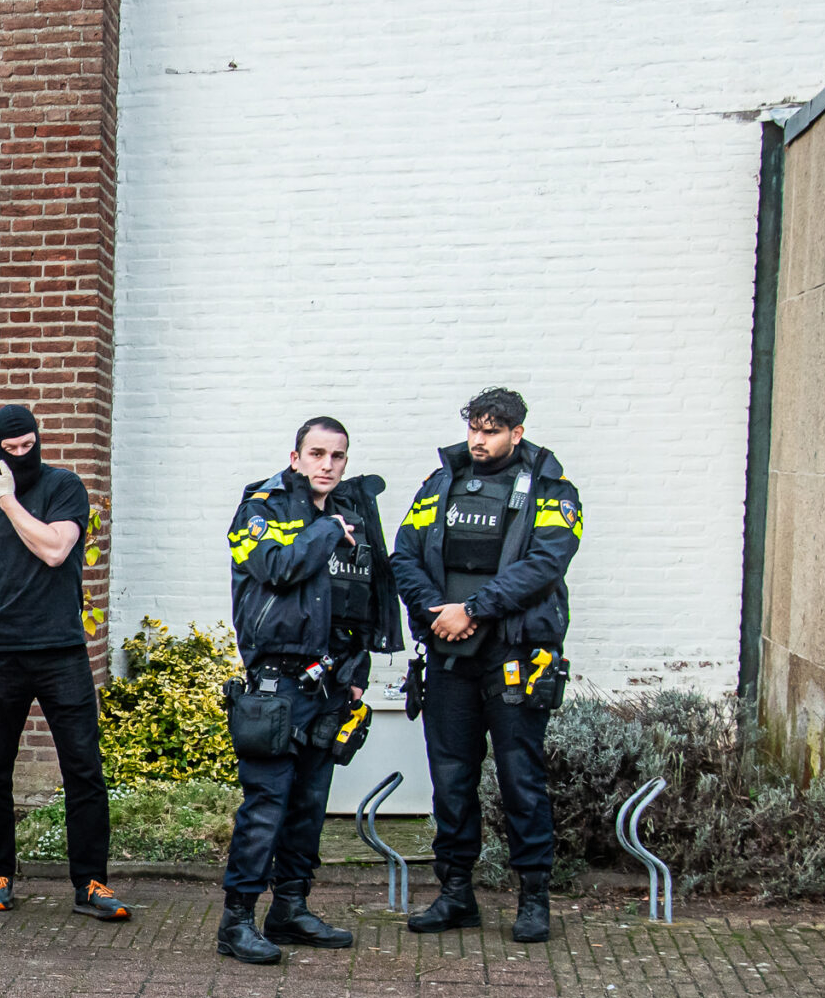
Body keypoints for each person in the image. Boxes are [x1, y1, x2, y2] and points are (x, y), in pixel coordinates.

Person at [392, 387, 582, 944]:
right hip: (449, 654)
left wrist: (472, 610)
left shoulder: (551, 489)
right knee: (451, 779)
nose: (479, 440)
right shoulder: (440, 483)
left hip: (514, 655)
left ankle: (534, 899)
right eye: (474, 428)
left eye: (492, 431)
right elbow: (404, 555)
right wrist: (437, 614)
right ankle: (456, 894)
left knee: (521, 779)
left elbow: (545, 563)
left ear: (516, 433)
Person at [215, 418, 403, 964]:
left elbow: (363, 600)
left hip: (333, 686)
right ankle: (236, 922)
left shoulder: (350, 513)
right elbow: (276, 567)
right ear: (295, 457)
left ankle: (290, 909)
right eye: (317, 454)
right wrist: (327, 531)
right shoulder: (261, 508)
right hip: (276, 685)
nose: (328, 464)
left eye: (337, 456)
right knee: (266, 806)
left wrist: (359, 670)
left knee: (308, 806)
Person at [0, 404, 130, 922]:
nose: (23, 455)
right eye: (12, 449)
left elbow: (54, 550)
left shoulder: (64, 487)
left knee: (84, 769)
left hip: (60, 652)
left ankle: (90, 884)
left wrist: (6, 499)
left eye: (29, 445)